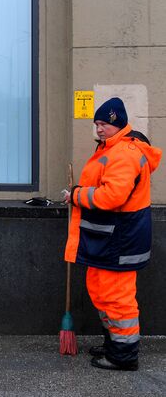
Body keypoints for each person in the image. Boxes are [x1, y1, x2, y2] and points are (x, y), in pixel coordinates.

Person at [63, 97, 162, 371]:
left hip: (120, 239)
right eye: (96, 124)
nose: (99, 129)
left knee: (117, 297)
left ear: (117, 122)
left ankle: (124, 355)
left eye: (104, 123)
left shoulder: (125, 153)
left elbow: (112, 196)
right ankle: (115, 343)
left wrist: (77, 195)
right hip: (110, 239)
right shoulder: (111, 148)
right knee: (101, 291)